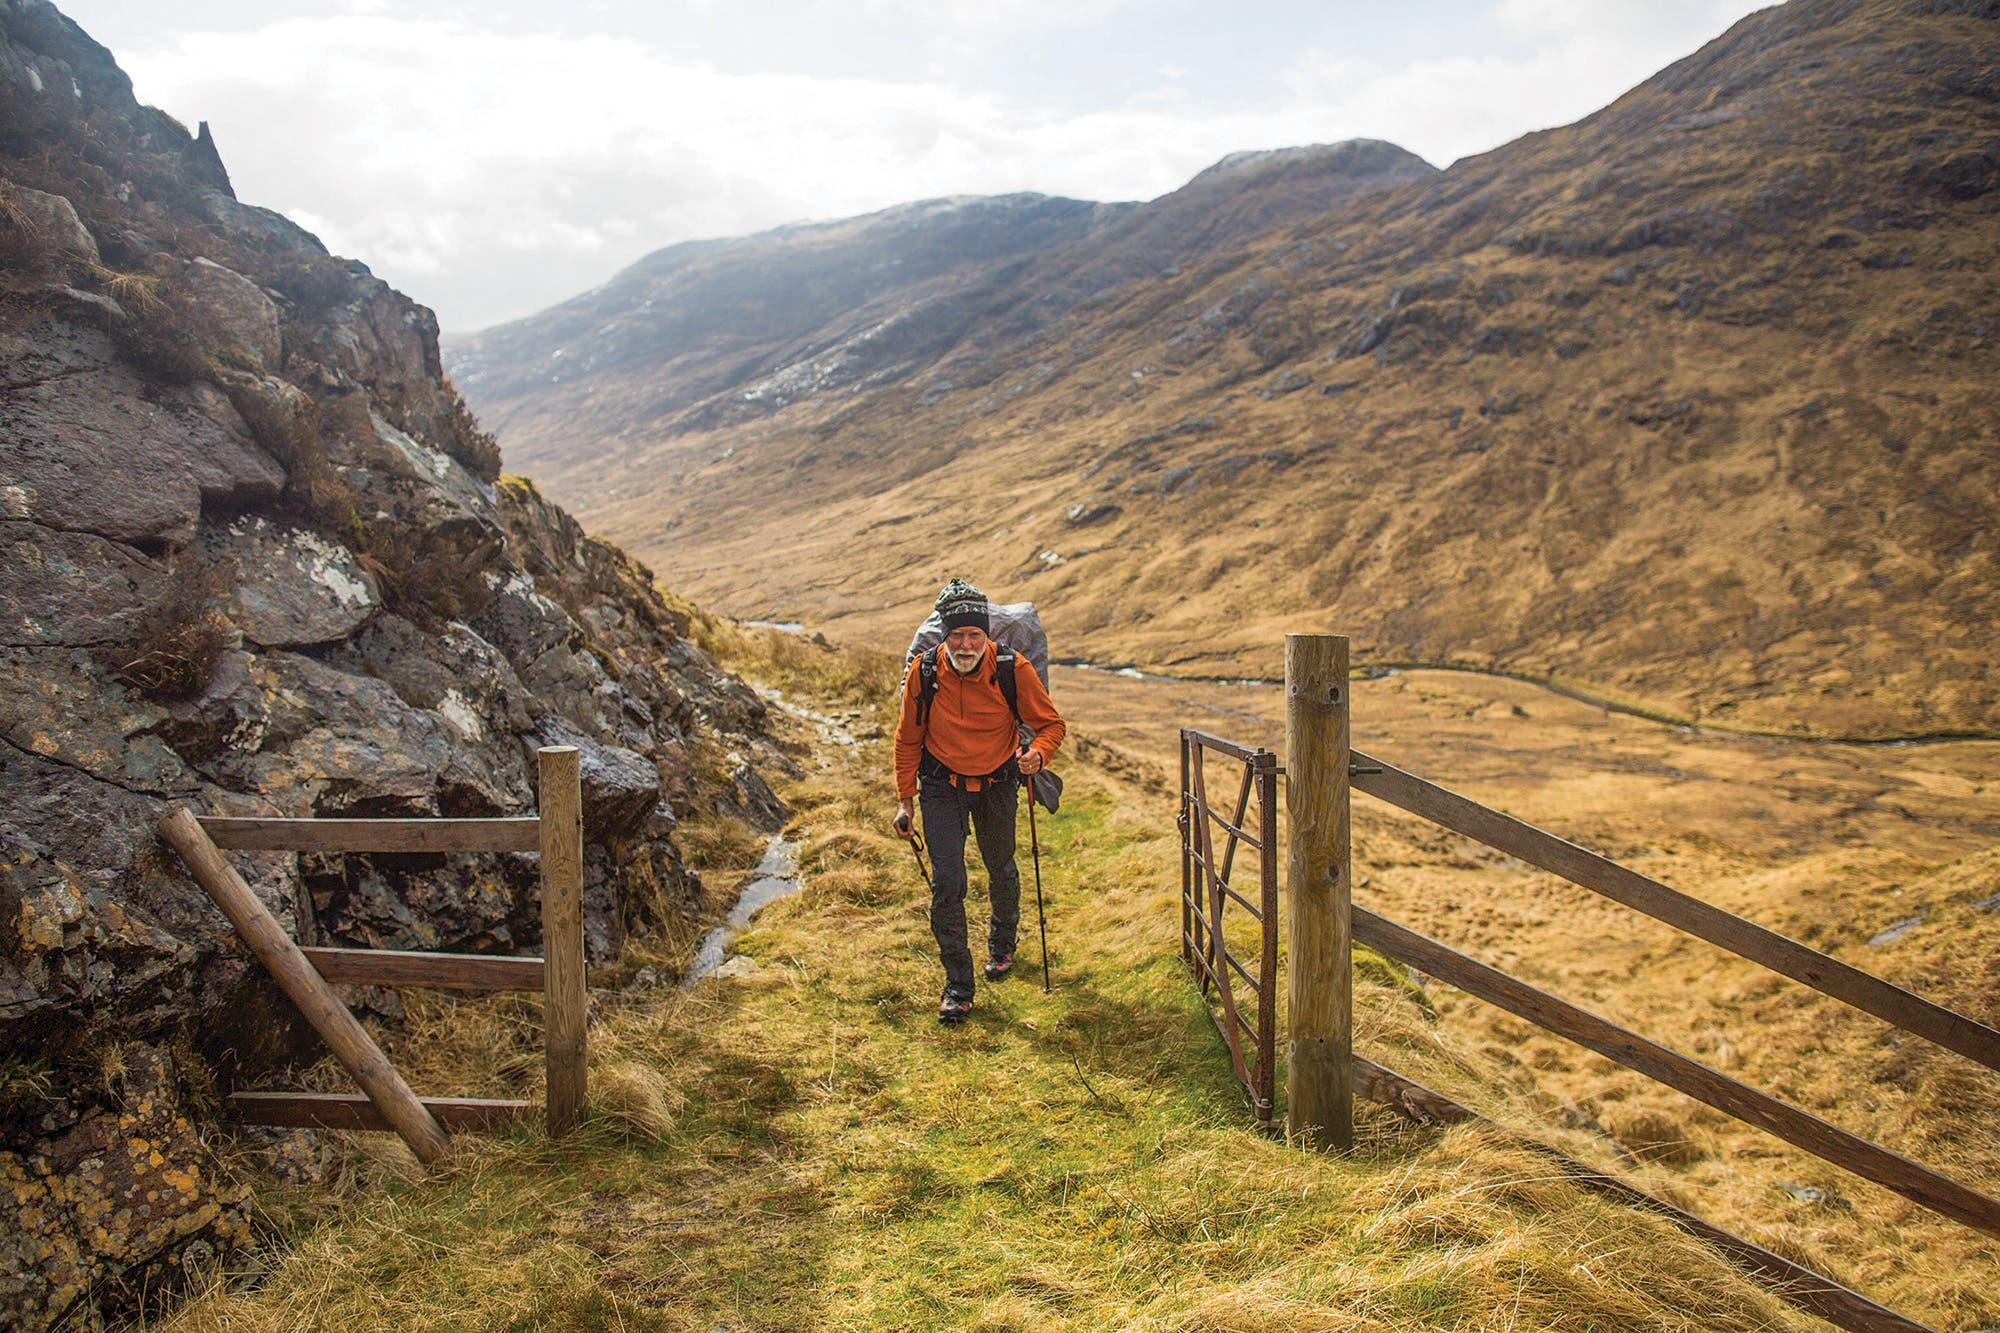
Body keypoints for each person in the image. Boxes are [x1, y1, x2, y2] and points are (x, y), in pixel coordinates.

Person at [893, 579, 1064, 1024]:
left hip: (997, 782)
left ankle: (1002, 945)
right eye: (956, 636)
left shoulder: (1012, 668)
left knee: (1000, 866)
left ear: (985, 635)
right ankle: (958, 986)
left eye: (974, 635)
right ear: (944, 636)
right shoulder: (925, 673)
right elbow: (907, 739)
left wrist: (1038, 753)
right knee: (947, 883)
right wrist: (906, 802)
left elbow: (1051, 725)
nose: (965, 645)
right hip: (940, 785)